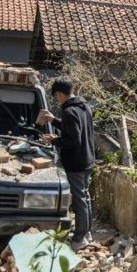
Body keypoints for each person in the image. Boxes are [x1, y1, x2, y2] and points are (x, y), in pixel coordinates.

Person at [38, 79, 95, 252]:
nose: (57, 100)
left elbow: (73, 139)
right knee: (85, 197)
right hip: (87, 159)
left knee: (79, 201)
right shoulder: (83, 107)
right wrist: (53, 120)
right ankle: (86, 232)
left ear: (60, 94)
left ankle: (79, 238)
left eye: (56, 97)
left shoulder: (70, 111)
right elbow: (72, 128)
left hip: (76, 162)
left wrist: (54, 140)